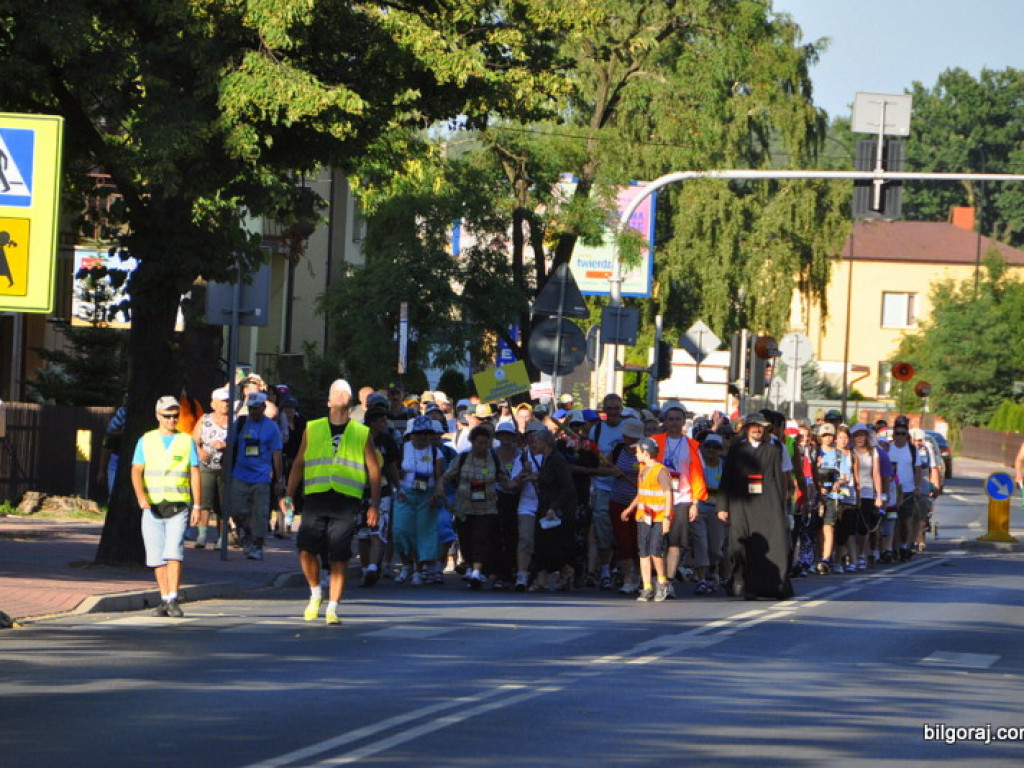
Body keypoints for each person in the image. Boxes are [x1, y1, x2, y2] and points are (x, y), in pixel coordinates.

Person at [287, 379, 381, 625]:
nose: (340, 395)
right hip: (316, 497)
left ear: (350, 402)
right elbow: (299, 462)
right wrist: (288, 494)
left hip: (346, 501)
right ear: (328, 401)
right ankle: (316, 592)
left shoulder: (362, 432)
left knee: (339, 555)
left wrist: (374, 504)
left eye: (345, 393)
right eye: (335, 393)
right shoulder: (313, 427)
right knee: (306, 549)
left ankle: (333, 607)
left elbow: (373, 470)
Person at [131, 396, 202, 618]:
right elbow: (136, 470)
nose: (172, 420)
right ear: (157, 416)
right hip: (152, 506)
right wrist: (141, 497)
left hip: (178, 505)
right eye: (167, 416)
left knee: (174, 552)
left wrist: (198, 505)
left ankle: (173, 597)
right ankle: (163, 598)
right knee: (155, 556)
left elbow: (194, 472)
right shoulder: (146, 440)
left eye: (175, 416)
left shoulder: (186, 440)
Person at [718, 413, 793, 601]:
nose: (757, 429)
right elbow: (727, 478)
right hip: (741, 503)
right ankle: (741, 582)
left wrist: (781, 507)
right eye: (753, 426)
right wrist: (722, 506)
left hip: (768, 503)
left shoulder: (774, 450)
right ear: (746, 428)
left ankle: (773, 586)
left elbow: (778, 480)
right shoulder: (737, 450)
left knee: (774, 543)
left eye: (760, 426)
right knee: (740, 544)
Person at [443, 425, 517, 589]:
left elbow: (506, 481)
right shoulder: (462, 458)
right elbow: (447, 476)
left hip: (487, 506)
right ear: (472, 442)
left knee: (481, 537)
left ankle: (477, 571)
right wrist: (439, 489)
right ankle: (471, 566)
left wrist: (519, 480)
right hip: (465, 506)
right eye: (480, 443)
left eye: (486, 443)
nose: (483, 447)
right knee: (466, 538)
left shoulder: (494, 459)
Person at [651, 400, 707, 595]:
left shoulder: (692, 445)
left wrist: (695, 503)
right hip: (658, 499)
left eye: (678, 419)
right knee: (656, 542)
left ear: (684, 422)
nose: (674, 423)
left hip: (682, 498)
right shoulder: (655, 441)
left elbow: (698, 475)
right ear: (664, 422)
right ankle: (657, 579)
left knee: (675, 543)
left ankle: (669, 582)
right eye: (670, 419)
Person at [229, 391, 284, 560]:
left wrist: (279, 479)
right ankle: (246, 532)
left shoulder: (272, 427)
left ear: (263, 407)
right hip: (240, 474)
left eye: (256, 408)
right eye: (250, 408)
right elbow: (230, 446)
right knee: (237, 510)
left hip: (261, 477)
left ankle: (258, 544)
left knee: (260, 513)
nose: (253, 411)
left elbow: (277, 454)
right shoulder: (241, 423)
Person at [620, 436, 674, 602]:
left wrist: (666, 517)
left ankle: (662, 582)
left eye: (637, 451)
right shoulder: (642, 469)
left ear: (646, 452)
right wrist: (630, 508)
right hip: (644, 517)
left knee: (655, 551)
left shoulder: (660, 470)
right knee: (643, 552)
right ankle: (647, 586)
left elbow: (668, 494)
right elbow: (642, 493)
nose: (635, 454)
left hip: (657, 517)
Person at [393, 415, 446, 585]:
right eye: (420, 433)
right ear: (413, 434)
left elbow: (439, 476)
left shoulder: (436, 452)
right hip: (405, 493)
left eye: (427, 433)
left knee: (423, 532)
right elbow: (393, 469)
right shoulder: (403, 449)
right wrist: (399, 488)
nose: (423, 436)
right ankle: (406, 564)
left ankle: (417, 568)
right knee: (400, 530)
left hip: (426, 495)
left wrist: (436, 493)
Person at [531, 429, 578, 591]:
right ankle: (542, 580)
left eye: (537, 441)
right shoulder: (546, 459)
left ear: (546, 443)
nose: (534, 444)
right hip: (544, 507)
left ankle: (567, 571)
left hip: (555, 510)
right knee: (541, 545)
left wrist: (554, 507)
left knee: (553, 546)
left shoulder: (557, 460)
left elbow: (567, 486)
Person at [190, 386, 230, 549]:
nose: (225, 404)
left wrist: (225, 444)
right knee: (205, 500)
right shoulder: (205, 419)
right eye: (222, 401)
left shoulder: (234, 421)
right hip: (206, 465)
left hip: (225, 466)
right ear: (213, 403)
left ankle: (222, 538)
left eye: (227, 401)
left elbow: (240, 441)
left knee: (223, 504)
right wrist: (199, 451)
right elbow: (193, 440)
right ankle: (203, 535)